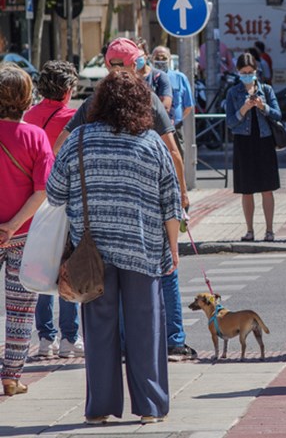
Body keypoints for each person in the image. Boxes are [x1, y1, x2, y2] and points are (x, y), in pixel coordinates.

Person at [47, 70, 181, 424]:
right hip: (144, 249)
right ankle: (150, 407)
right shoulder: (152, 143)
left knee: (99, 330)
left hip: (91, 253)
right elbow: (171, 203)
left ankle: (100, 408)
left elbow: (54, 193)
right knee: (146, 328)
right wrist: (173, 248)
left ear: (100, 102)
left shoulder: (78, 140)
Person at [54, 38, 195, 361]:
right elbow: (173, 153)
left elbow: (61, 145)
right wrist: (182, 193)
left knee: (104, 291)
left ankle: (116, 350)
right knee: (164, 276)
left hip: (95, 224)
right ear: (135, 65)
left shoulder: (94, 102)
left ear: (107, 65)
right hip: (144, 219)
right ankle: (173, 339)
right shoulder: (147, 99)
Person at [22, 61, 83, 359]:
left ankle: (46, 339)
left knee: (40, 266)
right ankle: (70, 337)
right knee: (67, 265)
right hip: (66, 201)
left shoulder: (29, 116)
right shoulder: (73, 118)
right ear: (68, 89)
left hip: (34, 202)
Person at [0, 65, 53, 396]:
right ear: (26, 98)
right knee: (20, 311)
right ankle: (11, 377)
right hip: (24, 236)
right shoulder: (35, 137)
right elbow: (42, 190)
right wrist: (12, 225)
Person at [226, 52, 282, 242]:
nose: (247, 75)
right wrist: (244, 109)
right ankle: (249, 230)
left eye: (250, 72)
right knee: (246, 189)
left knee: (267, 188)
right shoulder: (233, 93)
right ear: (238, 72)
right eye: (243, 72)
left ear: (256, 71)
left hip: (264, 141)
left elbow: (278, 114)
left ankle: (269, 230)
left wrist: (262, 106)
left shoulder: (266, 89)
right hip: (243, 143)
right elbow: (230, 122)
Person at [152, 46, 194, 156]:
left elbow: (188, 105)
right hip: (153, 128)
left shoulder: (180, 77)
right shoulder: (149, 77)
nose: (160, 60)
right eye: (157, 58)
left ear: (169, 58)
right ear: (151, 59)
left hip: (175, 127)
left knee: (177, 156)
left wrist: (175, 120)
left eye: (164, 57)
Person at [135, 39, 173, 111]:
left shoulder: (160, 77)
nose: (136, 59)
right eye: (133, 56)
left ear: (146, 55)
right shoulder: (128, 78)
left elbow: (165, 106)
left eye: (138, 56)